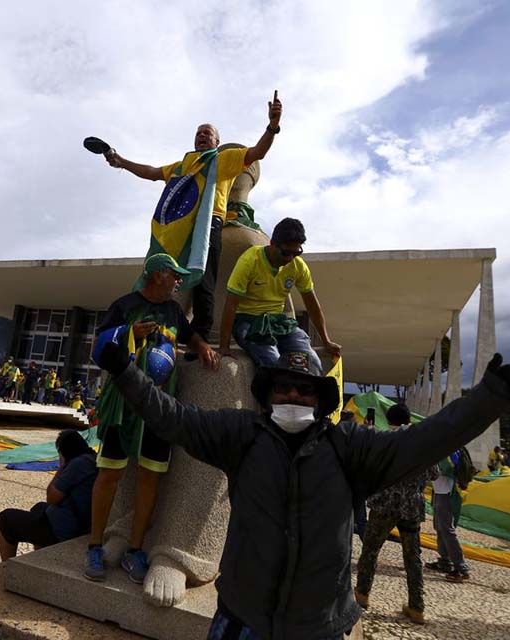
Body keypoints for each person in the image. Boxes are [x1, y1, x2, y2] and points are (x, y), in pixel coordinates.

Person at [93, 335, 510, 638]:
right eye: (283, 388)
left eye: (304, 390)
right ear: (268, 395)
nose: (293, 396)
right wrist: (126, 373)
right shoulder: (241, 435)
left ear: (320, 401)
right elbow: (173, 418)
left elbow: (425, 440)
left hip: (317, 627)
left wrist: (489, 398)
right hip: (241, 618)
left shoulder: (349, 447)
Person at [104, 91, 283, 342]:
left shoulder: (222, 160)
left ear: (217, 142)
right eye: (198, 133)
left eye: (207, 133)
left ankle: (199, 337)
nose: (201, 136)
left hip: (208, 226)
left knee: (204, 284)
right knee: (166, 277)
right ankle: (154, 326)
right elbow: (152, 172)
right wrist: (121, 161)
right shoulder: (183, 166)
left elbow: (257, 153)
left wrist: (272, 126)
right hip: (179, 228)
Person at [86, 253, 220, 585]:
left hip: (160, 405)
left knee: (151, 476)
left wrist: (202, 347)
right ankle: (94, 546)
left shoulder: (174, 311)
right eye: (174, 275)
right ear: (157, 274)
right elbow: (98, 348)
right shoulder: (124, 305)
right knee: (109, 474)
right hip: (123, 403)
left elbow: (188, 335)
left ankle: (135, 550)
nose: (179, 281)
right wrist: (128, 332)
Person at [218, 217, 340, 370]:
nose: (290, 258)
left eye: (296, 253)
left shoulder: (298, 266)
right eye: (286, 253)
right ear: (272, 244)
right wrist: (224, 346)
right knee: (275, 365)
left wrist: (326, 341)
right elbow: (231, 304)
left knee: (311, 362)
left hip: (278, 322)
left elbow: (312, 305)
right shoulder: (250, 261)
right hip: (249, 322)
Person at [354, 403, 437, 625]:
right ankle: (416, 607)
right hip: (412, 507)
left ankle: (362, 595)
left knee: (370, 550)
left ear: (389, 420)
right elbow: (434, 474)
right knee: (413, 557)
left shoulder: (385, 440)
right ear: (409, 419)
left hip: (385, 504)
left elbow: (369, 466)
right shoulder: (424, 444)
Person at [0, 430, 98, 560]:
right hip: (80, 523)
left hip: (64, 531)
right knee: (38, 507)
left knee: (6, 518)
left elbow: (51, 498)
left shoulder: (77, 465)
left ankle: (6, 567)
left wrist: (61, 467)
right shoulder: (92, 459)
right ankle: (42, 559)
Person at [425, 448, 472, 582]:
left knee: (447, 529)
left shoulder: (448, 448)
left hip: (447, 493)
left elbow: (446, 469)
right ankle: (445, 561)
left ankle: (461, 568)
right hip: (439, 491)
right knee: (439, 527)